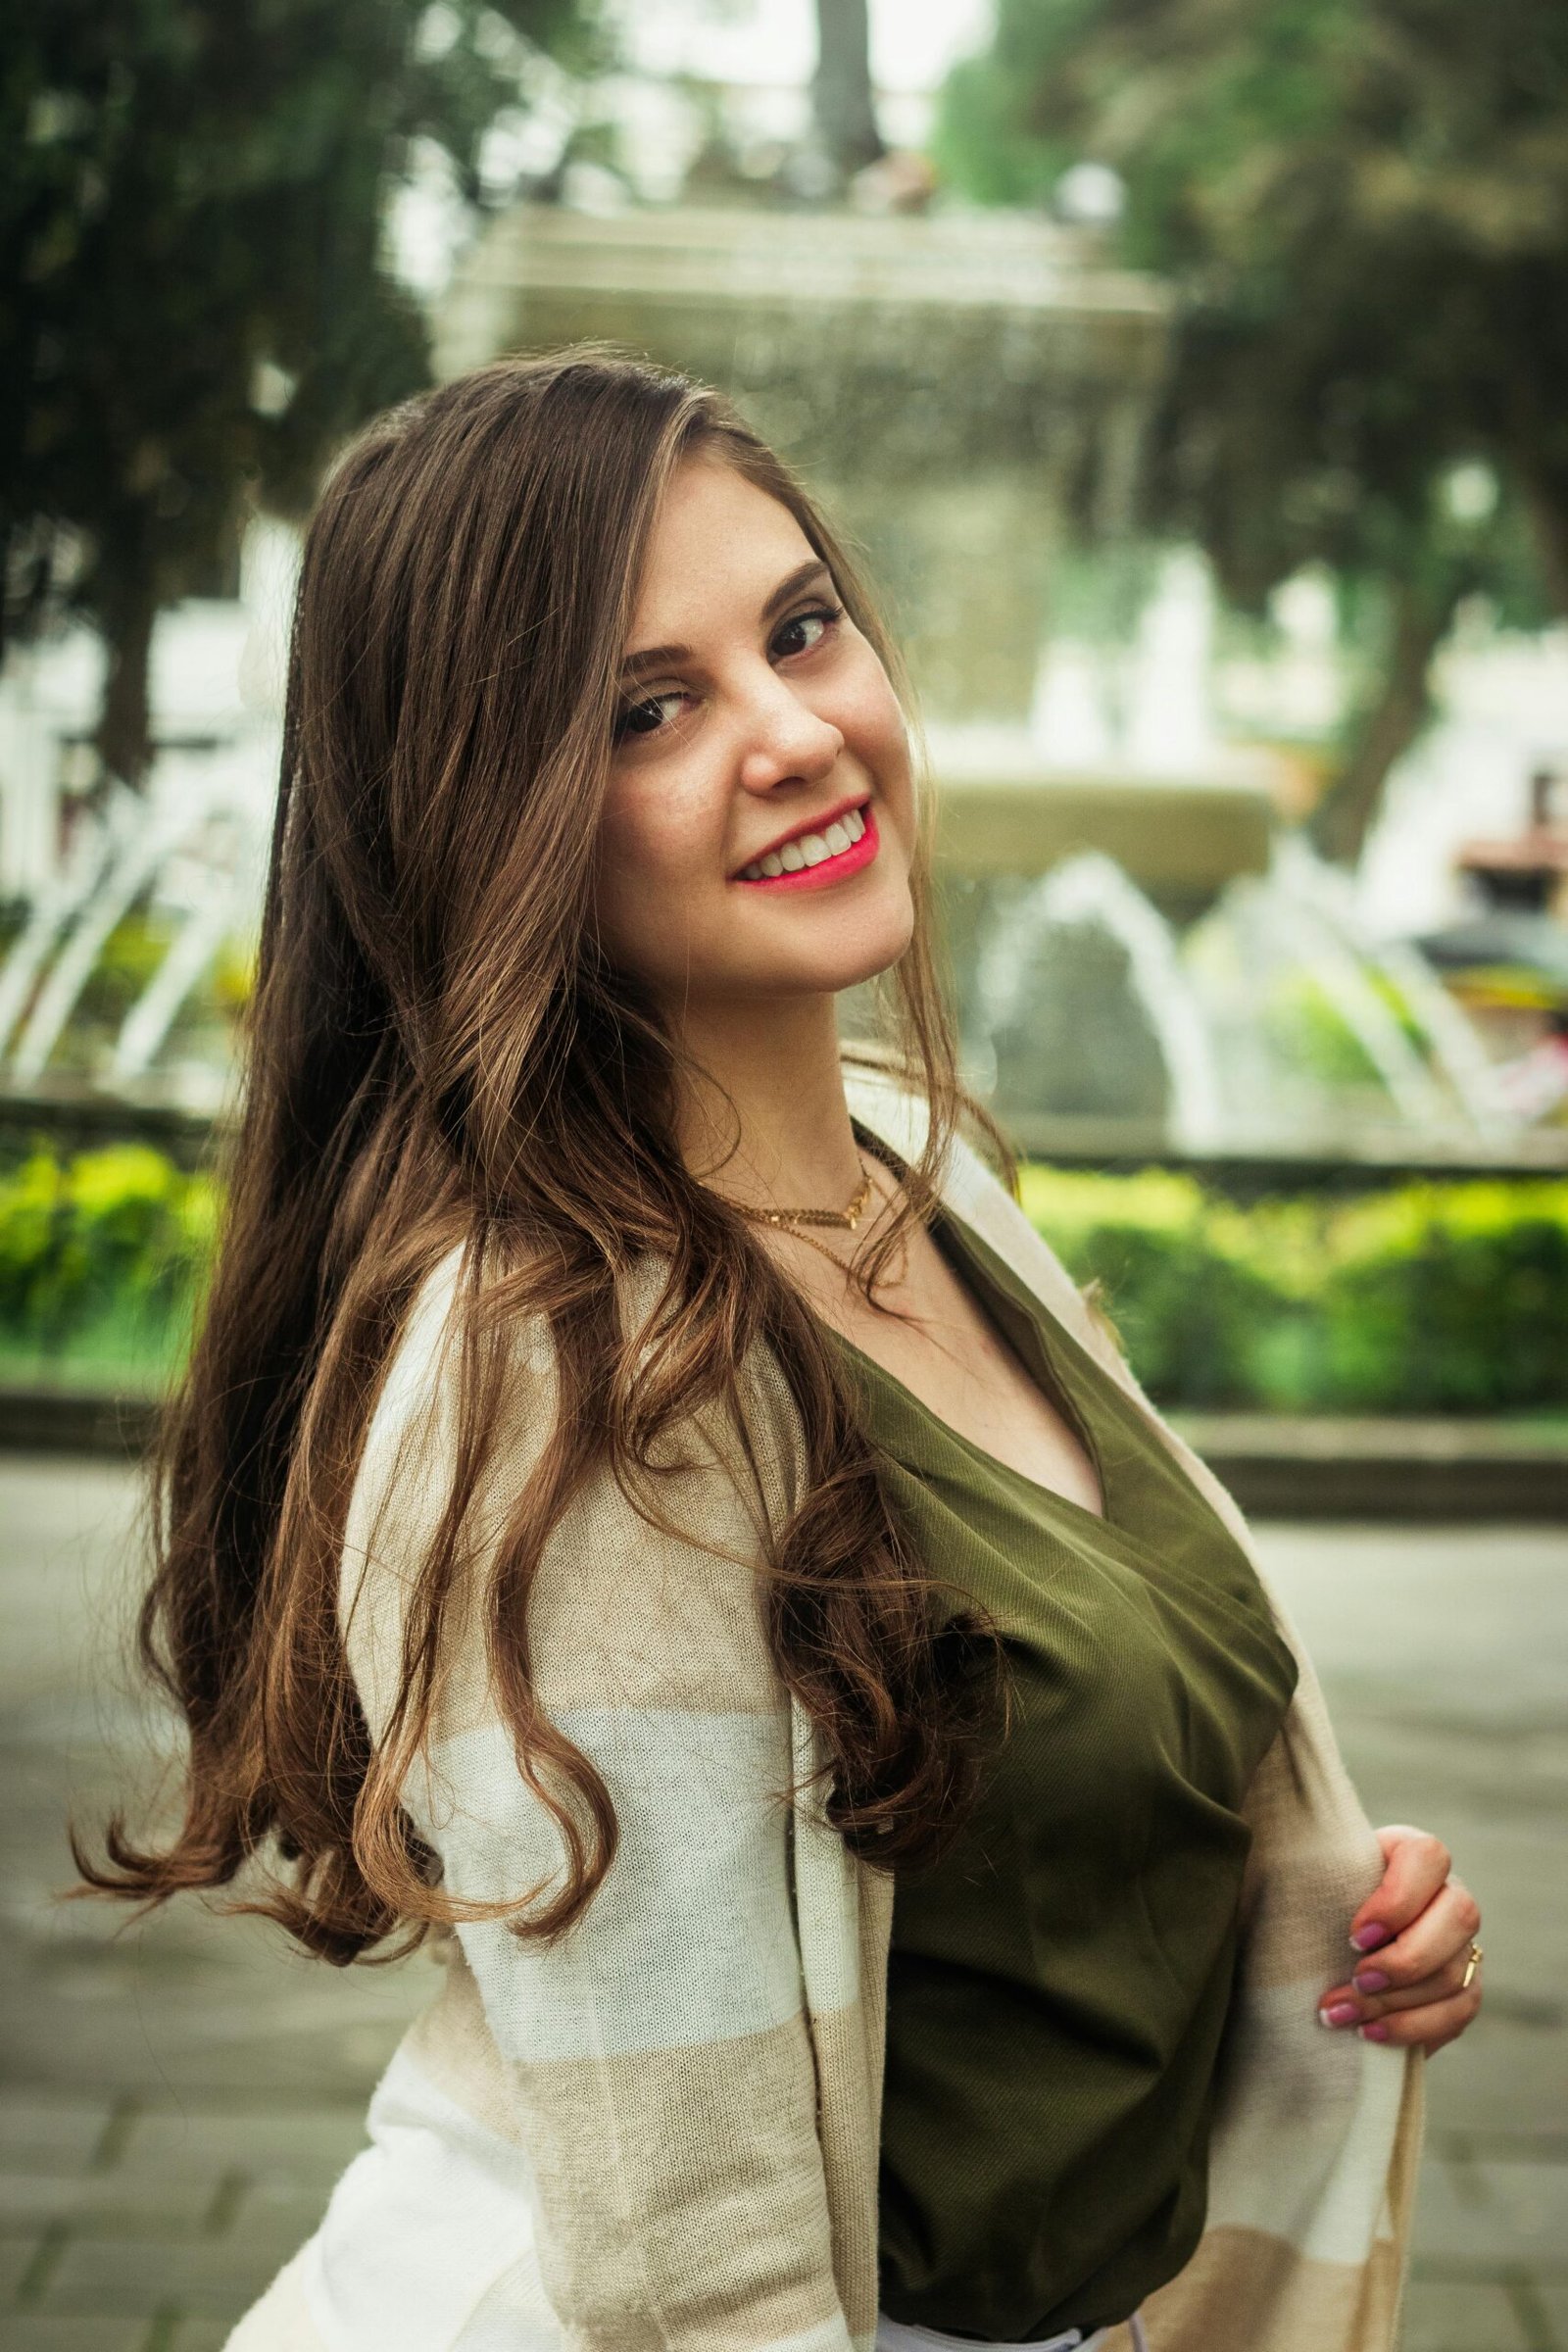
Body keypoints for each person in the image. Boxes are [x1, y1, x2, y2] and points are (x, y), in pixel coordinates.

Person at [79, 351, 1484, 2352]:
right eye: (651, 709)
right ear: (496, 821)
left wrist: (1314, 1918)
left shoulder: (924, 1180)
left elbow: (1085, 1741)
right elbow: (695, 2254)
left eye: (800, 629)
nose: (796, 733)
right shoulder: (565, 1372)